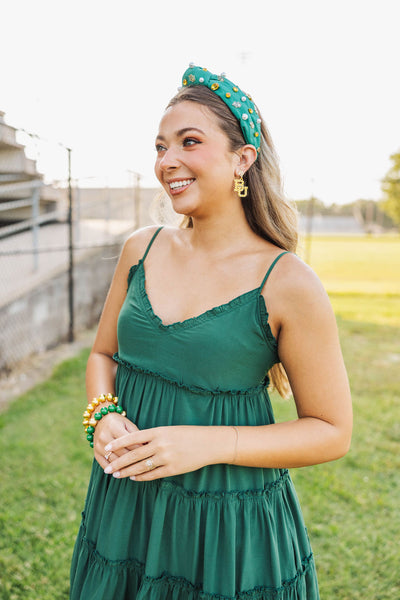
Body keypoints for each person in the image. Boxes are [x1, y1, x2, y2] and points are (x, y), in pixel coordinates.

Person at [70, 64, 352, 600]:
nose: (166, 161)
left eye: (189, 142)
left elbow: (331, 430)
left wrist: (204, 444)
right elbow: (103, 354)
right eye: (159, 146)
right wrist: (102, 413)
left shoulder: (288, 281)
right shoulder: (141, 248)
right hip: (127, 505)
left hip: (226, 523)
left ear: (242, 158)